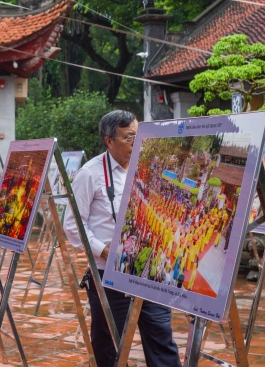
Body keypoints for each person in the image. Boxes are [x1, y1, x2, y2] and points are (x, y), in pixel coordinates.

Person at [63, 110, 181, 367]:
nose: (136, 143)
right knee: (109, 348)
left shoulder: (147, 169)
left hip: (149, 273)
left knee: (162, 340)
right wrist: (104, 250)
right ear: (109, 140)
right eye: (129, 138)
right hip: (109, 276)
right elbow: (72, 225)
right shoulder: (90, 174)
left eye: (139, 137)